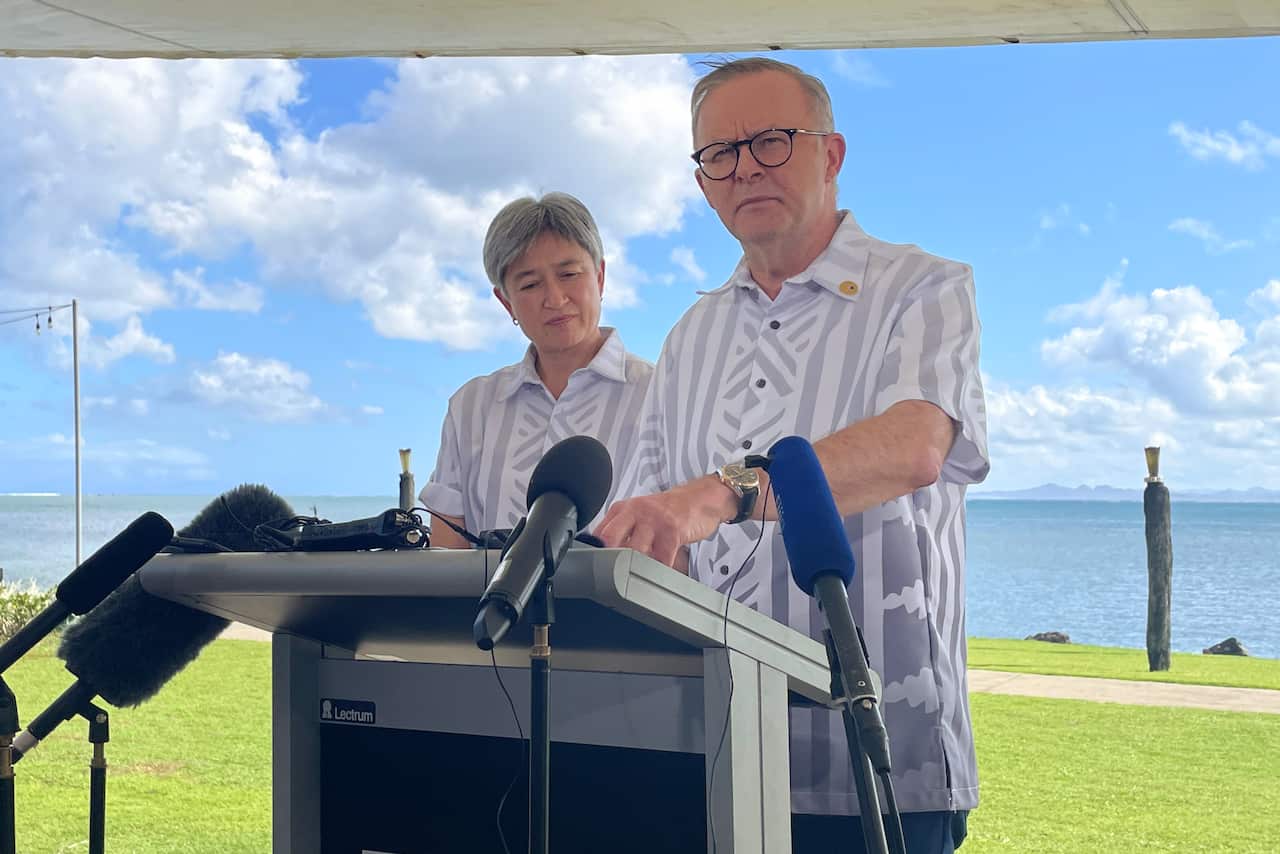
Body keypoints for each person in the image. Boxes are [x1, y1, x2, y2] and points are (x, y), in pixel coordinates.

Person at [597, 58, 989, 853]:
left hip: (882, 776)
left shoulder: (922, 290)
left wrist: (724, 492)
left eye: (772, 141)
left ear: (831, 155)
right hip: (719, 759)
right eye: (721, 155)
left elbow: (915, 446)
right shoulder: (688, 337)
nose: (745, 168)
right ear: (704, 184)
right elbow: (660, 538)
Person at [423, 192, 654, 546]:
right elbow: (444, 553)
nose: (555, 298)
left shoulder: (659, 395)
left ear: (601, 276)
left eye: (569, 274)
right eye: (530, 284)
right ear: (505, 301)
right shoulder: (471, 407)